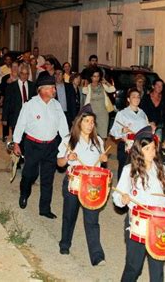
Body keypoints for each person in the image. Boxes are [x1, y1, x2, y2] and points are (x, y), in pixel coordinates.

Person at [113, 126, 165, 282]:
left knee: (157, 271)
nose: (152, 152)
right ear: (138, 151)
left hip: (158, 225)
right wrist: (123, 199)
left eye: (153, 148)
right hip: (137, 224)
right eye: (147, 148)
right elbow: (117, 195)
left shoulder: (163, 170)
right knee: (134, 267)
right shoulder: (129, 170)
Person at [13, 72, 69, 219]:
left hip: (51, 146)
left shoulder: (56, 106)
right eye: (52, 88)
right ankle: (24, 193)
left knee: (47, 178)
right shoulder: (30, 105)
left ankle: (44, 209)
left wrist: (68, 144)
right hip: (33, 145)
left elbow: (63, 127)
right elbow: (20, 124)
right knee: (29, 175)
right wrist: (16, 143)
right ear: (43, 89)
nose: (54, 90)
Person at [57, 105, 108, 265]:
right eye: (86, 121)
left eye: (92, 121)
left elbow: (100, 165)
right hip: (74, 182)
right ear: (79, 122)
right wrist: (67, 157)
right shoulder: (68, 139)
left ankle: (97, 255)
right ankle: (65, 244)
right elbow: (59, 163)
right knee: (69, 216)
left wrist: (103, 160)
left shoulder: (98, 140)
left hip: (92, 185)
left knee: (92, 220)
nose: (90, 124)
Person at [110, 88, 149, 181]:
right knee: (125, 172)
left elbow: (146, 128)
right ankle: (121, 193)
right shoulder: (122, 113)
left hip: (140, 146)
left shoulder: (142, 113)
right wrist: (122, 130)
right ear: (128, 99)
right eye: (133, 97)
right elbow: (113, 131)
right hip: (126, 146)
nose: (136, 99)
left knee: (138, 171)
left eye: (138, 97)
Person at [3, 63, 36, 134]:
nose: (24, 76)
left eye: (26, 74)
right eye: (22, 73)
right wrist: (5, 118)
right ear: (19, 73)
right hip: (15, 116)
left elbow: (35, 101)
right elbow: (6, 103)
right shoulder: (11, 86)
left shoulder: (32, 86)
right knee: (16, 138)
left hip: (29, 116)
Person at [82, 70, 115, 140]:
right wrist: (85, 83)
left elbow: (112, 89)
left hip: (103, 114)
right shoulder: (89, 86)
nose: (96, 78)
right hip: (92, 114)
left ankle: (102, 150)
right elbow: (84, 91)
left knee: (103, 135)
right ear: (91, 77)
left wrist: (106, 82)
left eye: (98, 76)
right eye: (94, 76)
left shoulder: (103, 86)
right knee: (92, 135)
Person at [0, 61, 20, 141]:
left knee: (16, 119)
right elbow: (1, 89)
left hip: (17, 102)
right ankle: (5, 135)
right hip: (7, 101)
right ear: (11, 68)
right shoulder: (6, 77)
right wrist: (6, 84)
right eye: (13, 67)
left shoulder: (21, 78)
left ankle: (16, 135)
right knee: (6, 118)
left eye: (16, 66)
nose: (15, 68)